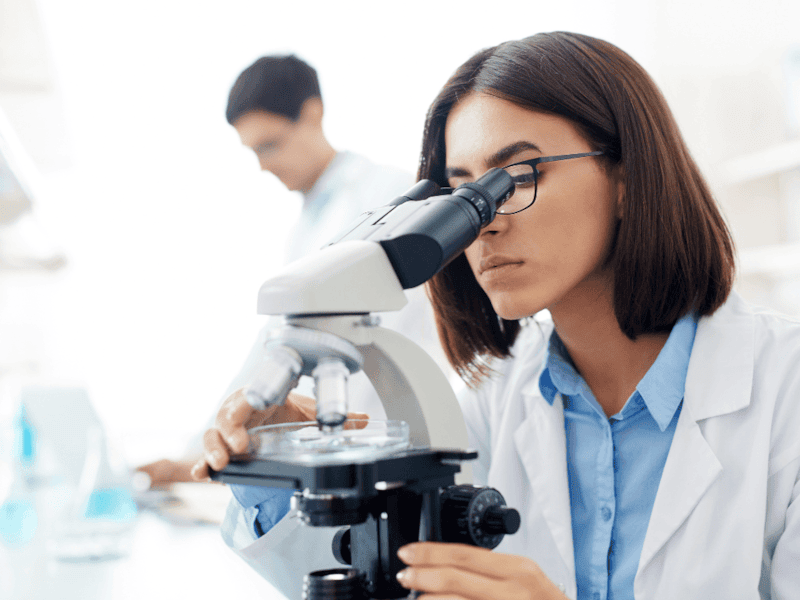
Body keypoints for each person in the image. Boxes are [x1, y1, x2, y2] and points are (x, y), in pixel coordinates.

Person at [193, 33, 800, 600]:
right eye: (464, 195)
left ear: (625, 176)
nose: (488, 223)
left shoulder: (785, 389)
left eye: (521, 175)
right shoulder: (491, 399)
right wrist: (267, 462)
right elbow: (377, 573)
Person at [138, 55, 446, 487]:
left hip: (399, 437)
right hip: (347, 449)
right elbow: (273, 349)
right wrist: (199, 451)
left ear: (313, 113)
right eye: (253, 151)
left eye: (270, 145)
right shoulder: (305, 228)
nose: (263, 165)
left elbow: (359, 339)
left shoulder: (388, 197)